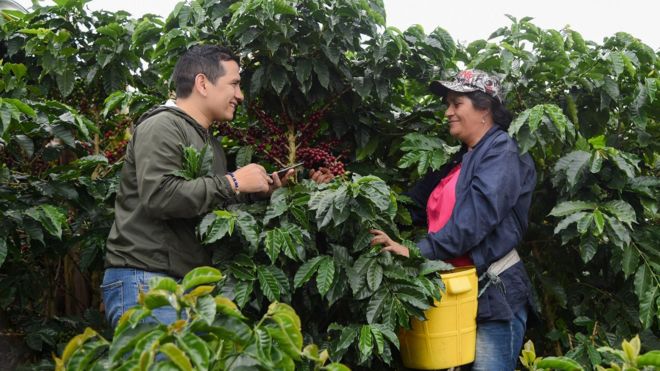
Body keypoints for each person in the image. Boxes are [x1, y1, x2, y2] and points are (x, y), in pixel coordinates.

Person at [101, 45, 331, 328]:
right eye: (234, 84)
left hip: (186, 285)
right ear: (202, 83)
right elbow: (160, 196)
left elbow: (209, 208)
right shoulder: (162, 125)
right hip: (147, 281)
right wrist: (234, 181)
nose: (240, 95)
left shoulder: (210, 144)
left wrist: (259, 192)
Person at [370, 70, 536, 371]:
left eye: (456, 103)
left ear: (484, 107)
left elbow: (474, 220)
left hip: (493, 296)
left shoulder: (503, 153)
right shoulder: (460, 158)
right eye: (447, 104)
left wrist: (417, 253)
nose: (448, 112)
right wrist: (349, 193)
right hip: (453, 294)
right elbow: (409, 205)